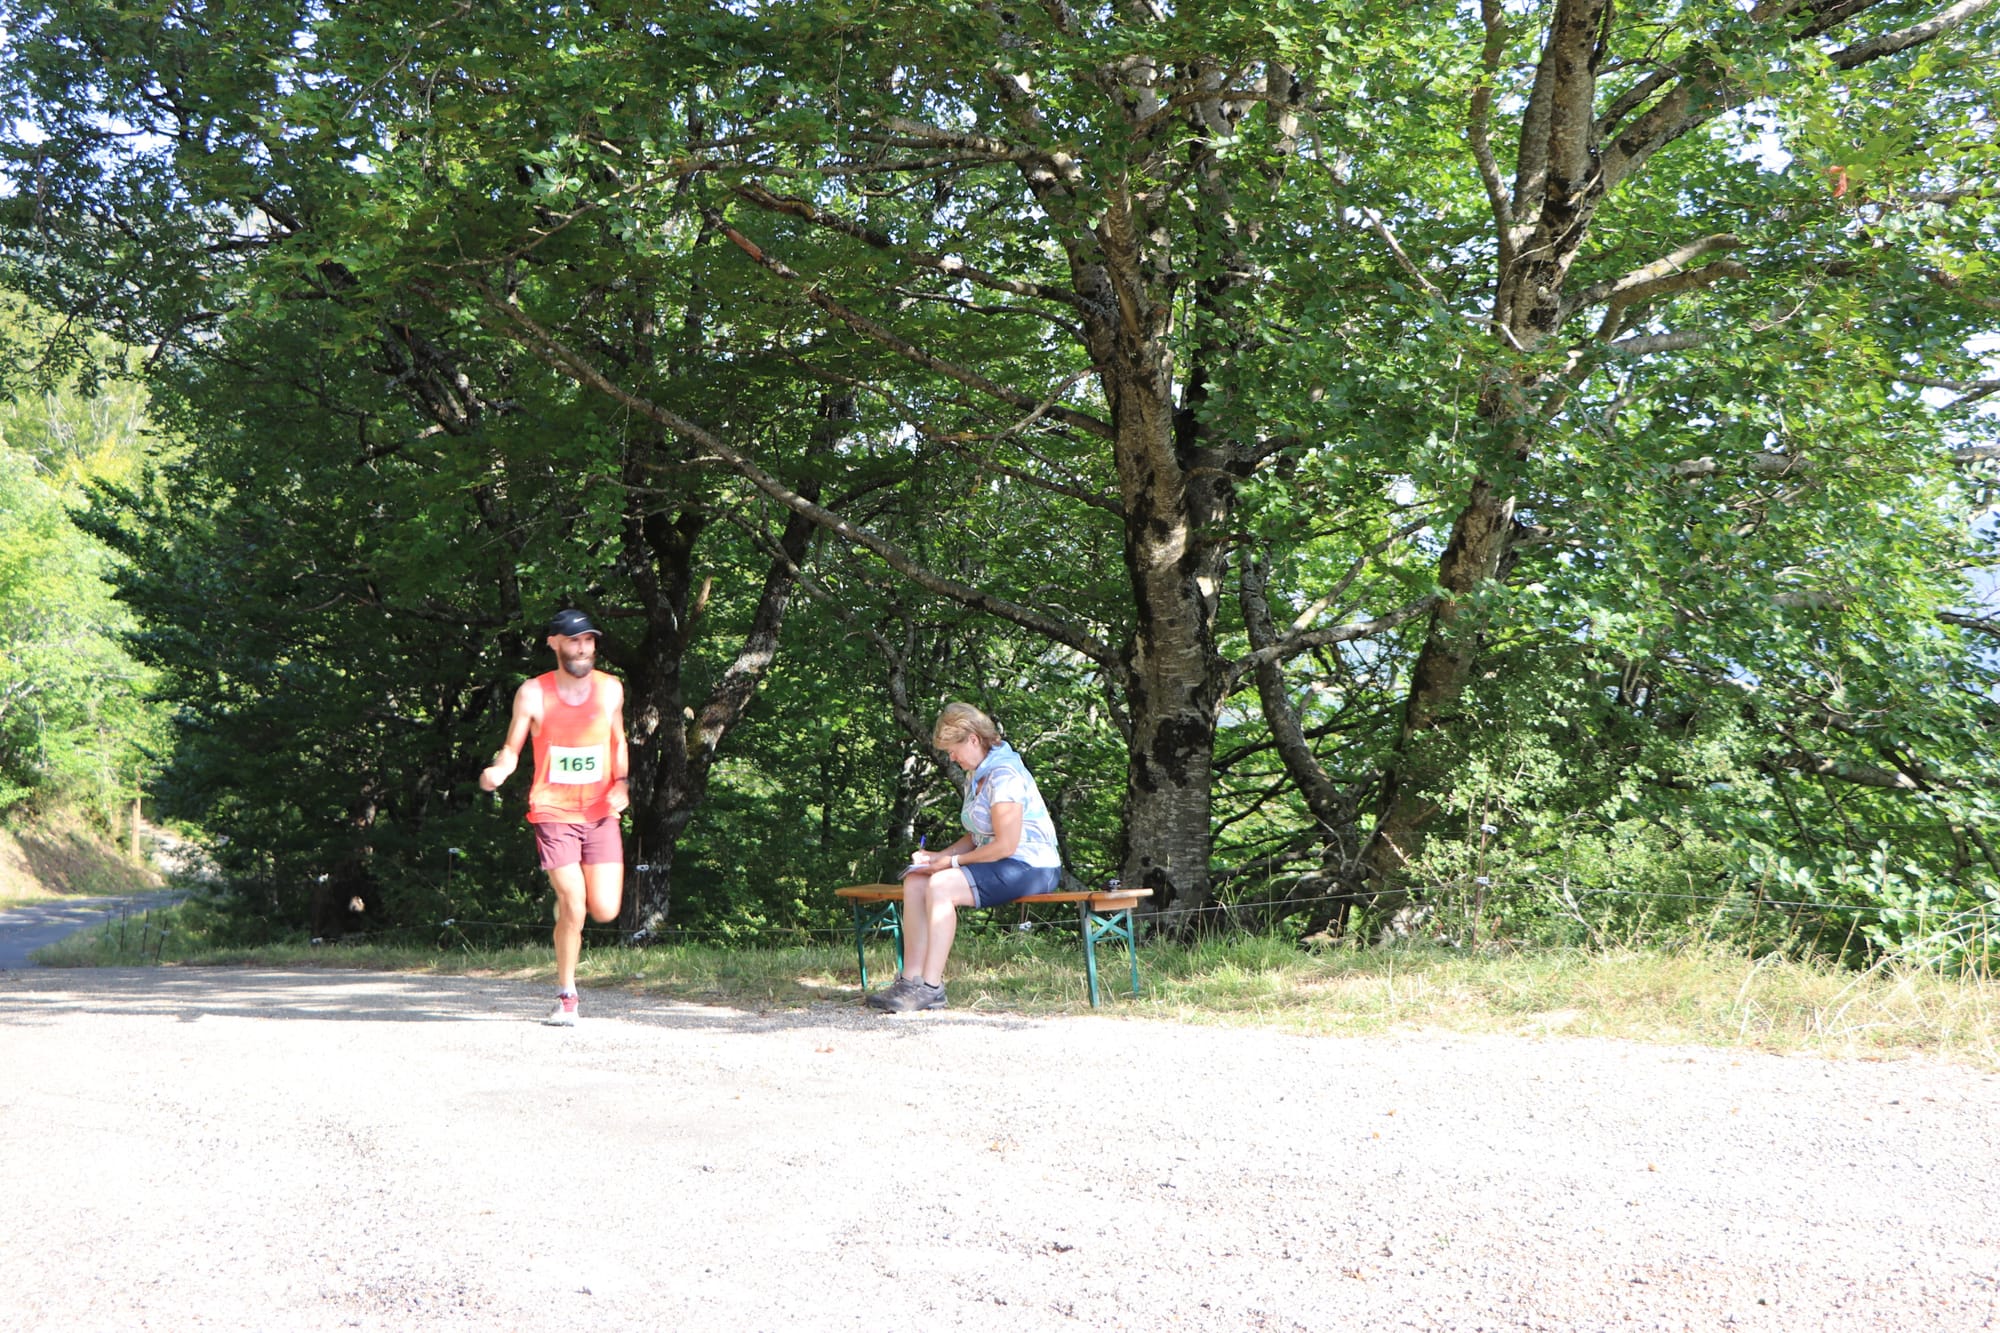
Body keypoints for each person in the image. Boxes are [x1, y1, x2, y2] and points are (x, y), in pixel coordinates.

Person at [479, 608, 630, 1026]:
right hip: (552, 811)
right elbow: (512, 748)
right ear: (554, 644)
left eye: (588, 641)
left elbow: (618, 740)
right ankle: (567, 996)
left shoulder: (611, 689)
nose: (582, 649)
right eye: (573, 641)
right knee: (575, 903)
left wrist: (622, 782)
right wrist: (500, 770)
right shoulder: (532, 693)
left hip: (601, 813)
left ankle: (566, 914)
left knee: (604, 910)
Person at [868, 701, 1062, 1013]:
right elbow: (977, 835)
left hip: (1033, 866)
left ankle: (931, 988)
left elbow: (1005, 846)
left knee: (942, 886)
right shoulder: (977, 773)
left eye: (952, 749)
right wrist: (936, 857)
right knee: (918, 878)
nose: (951, 757)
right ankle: (909, 980)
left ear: (973, 739)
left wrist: (951, 864)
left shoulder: (1004, 775)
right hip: (1005, 862)